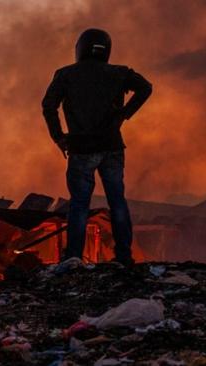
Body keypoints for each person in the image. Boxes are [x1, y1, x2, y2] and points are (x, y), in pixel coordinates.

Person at [42, 28, 152, 266]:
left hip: (81, 149)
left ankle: (73, 257)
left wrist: (58, 137)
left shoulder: (66, 74)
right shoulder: (120, 73)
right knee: (117, 201)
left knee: (80, 205)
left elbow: (48, 106)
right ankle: (123, 256)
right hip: (112, 146)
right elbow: (146, 87)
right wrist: (125, 114)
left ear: (80, 49)